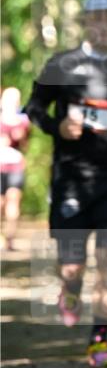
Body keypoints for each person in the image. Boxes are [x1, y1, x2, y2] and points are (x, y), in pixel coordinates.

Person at [26, 0, 107, 367]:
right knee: (72, 267)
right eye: (97, 18)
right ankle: (70, 289)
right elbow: (33, 108)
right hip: (72, 178)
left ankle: (99, 340)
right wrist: (58, 126)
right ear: (85, 22)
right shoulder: (61, 65)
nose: (104, 25)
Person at [0, 87, 31, 252]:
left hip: (15, 166)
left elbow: (25, 145)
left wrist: (21, 137)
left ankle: (10, 239)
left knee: (13, 200)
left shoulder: (23, 122)